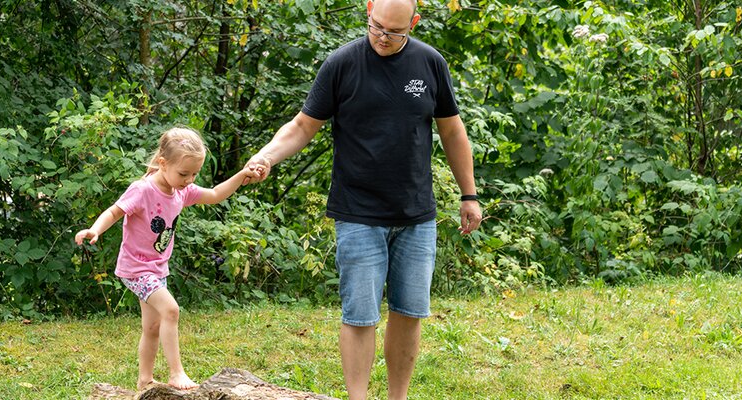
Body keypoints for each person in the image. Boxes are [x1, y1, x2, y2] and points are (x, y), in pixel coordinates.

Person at [243, 0, 483, 398]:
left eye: (395, 32)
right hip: (357, 212)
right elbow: (303, 126)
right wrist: (265, 155)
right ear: (369, 10)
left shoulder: (430, 63)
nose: (383, 38)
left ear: (414, 23)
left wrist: (469, 194)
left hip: (415, 214)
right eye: (376, 27)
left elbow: (453, 132)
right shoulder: (342, 64)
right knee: (360, 316)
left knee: (408, 313)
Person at [74, 127, 258, 391]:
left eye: (194, 173)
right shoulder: (143, 190)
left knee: (152, 327)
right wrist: (95, 229)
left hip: (157, 269)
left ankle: (144, 380)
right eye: (184, 173)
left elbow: (216, 194)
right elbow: (114, 212)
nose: (189, 180)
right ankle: (176, 373)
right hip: (136, 270)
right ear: (163, 163)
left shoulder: (181, 190)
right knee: (171, 310)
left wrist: (242, 175)